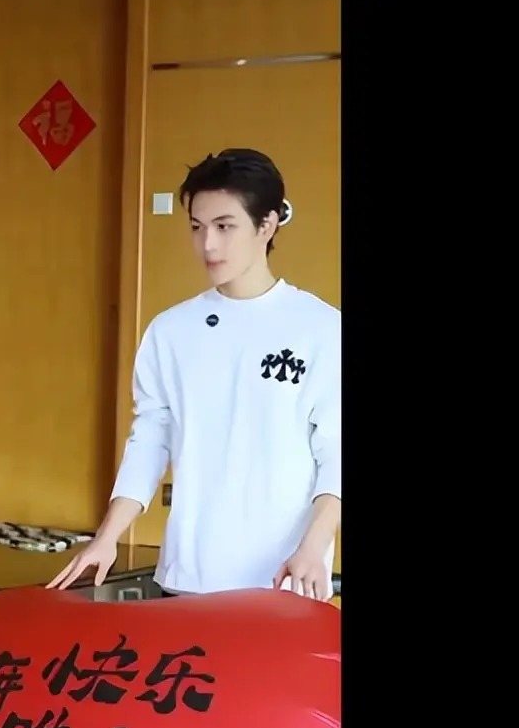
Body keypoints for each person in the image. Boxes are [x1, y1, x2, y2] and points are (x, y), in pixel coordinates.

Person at [48, 148, 340, 600]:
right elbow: (149, 439)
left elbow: (335, 452)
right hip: (187, 577)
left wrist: (314, 546)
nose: (208, 245)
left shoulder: (321, 328)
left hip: (285, 581)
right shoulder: (171, 331)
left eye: (225, 227)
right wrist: (107, 537)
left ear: (267, 225)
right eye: (197, 227)